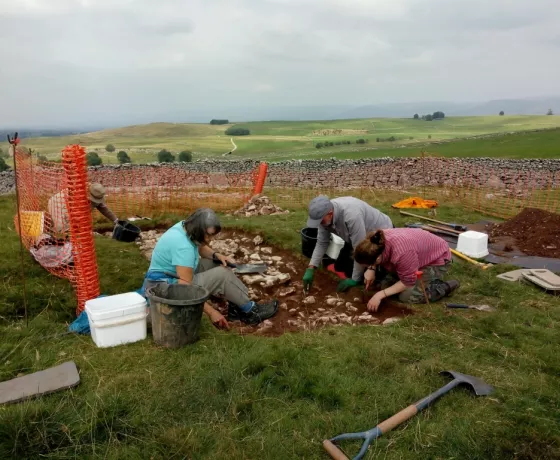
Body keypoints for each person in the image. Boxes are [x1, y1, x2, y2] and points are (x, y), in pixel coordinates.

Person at [141, 208, 278, 329]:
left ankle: (236, 309)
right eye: (207, 235)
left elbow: (200, 246)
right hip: (165, 287)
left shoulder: (185, 227)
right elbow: (185, 289)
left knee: (215, 264)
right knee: (222, 274)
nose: (209, 239)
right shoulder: (183, 247)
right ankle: (250, 312)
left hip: (171, 274)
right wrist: (212, 312)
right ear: (197, 230)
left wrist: (216, 255)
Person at [353, 228, 460, 312]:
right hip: (415, 257)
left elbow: (407, 281)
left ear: (377, 258)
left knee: (406, 296)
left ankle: (440, 288)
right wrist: (371, 269)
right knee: (386, 287)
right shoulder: (375, 241)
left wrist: (379, 295)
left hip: (436, 260)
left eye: (370, 263)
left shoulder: (402, 252)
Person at [302, 195, 393, 293]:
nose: (319, 224)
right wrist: (311, 267)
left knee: (359, 274)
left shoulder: (351, 216)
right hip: (355, 237)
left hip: (379, 237)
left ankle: (382, 273)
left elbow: (360, 249)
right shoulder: (323, 215)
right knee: (339, 267)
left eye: (321, 221)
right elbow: (322, 242)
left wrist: (355, 279)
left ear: (330, 213)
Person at [47, 183, 119, 234]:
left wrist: (116, 221)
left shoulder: (96, 193)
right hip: (59, 203)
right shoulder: (78, 192)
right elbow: (74, 213)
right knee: (63, 230)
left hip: (72, 209)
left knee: (74, 229)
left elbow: (104, 209)